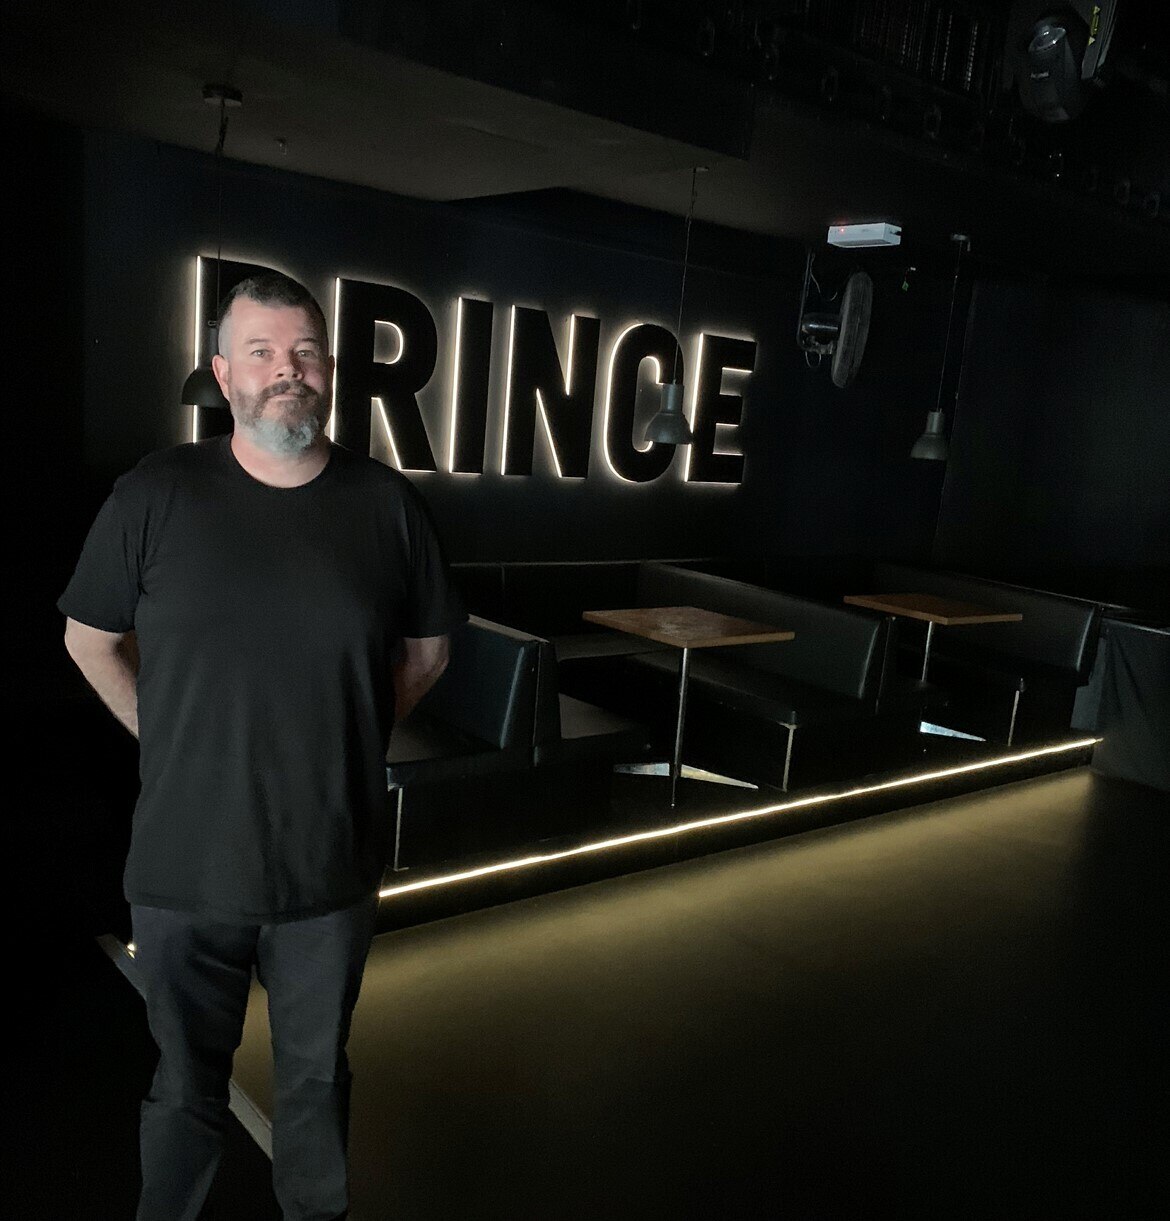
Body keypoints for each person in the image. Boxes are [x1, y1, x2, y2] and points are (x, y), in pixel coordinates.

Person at [59, 271, 465, 1220]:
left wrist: (347, 728)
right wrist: (164, 733)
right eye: (262, 352)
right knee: (183, 1089)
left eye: (306, 352)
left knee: (317, 1089)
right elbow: (87, 638)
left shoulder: (387, 505)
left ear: (328, 369)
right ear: (222, 373)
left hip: (327, 872)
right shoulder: (156, 493)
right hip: (181, 869)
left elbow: (431, 649)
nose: (288, 371)